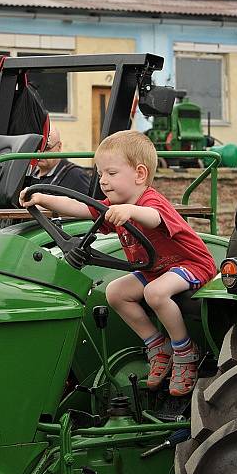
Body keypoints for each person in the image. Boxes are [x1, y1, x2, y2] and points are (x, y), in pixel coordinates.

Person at [19, 130, 216, 396]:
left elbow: (155, 217)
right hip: (155, 269)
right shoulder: (114, 204)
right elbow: (79, 207)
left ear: (140, 174)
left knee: (154, 293)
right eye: (100, 174)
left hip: (190, 263)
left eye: (111, 174)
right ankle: (158, 345)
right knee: (115, 293)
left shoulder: (148, 201)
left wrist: (130, 211)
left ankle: (184, 350)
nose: (103, 181)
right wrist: (41, 198)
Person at [26, 126, 91, 194]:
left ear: (59, 147)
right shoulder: (29, 172)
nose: (40, 153)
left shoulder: (77, 176)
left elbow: (87, 204)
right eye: (38, 147)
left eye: (46, 148)